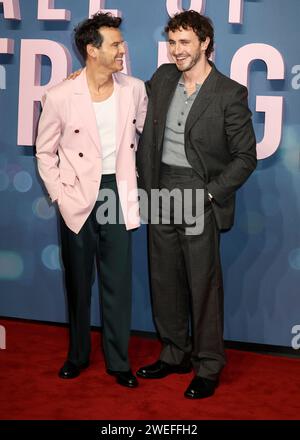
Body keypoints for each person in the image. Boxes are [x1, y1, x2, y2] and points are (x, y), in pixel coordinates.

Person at [136, 10, 257, 398]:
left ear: (205, 42)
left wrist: (208, 193)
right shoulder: (163, 78)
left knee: (202, 284)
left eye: (185, 42)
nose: (176, 50)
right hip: (159, 188)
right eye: (172, 43)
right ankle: (174, 354)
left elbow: (245, 157)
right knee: (164, 279)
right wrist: (86, 76)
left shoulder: (229, 92)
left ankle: (208, 364)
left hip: (198, 191)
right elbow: (126, 98)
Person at [36, 12, 147, 388]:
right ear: (91, 50)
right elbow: (44, 153)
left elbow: (146, 134)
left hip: (116, 192)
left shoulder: (134, 89)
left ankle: (119, 362)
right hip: (76, 195)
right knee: (79, 283)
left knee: (118, 282)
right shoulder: (60, 95)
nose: (122, 49)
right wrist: (60, 196)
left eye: (120, 42)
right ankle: (78, 355)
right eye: (115, 44)